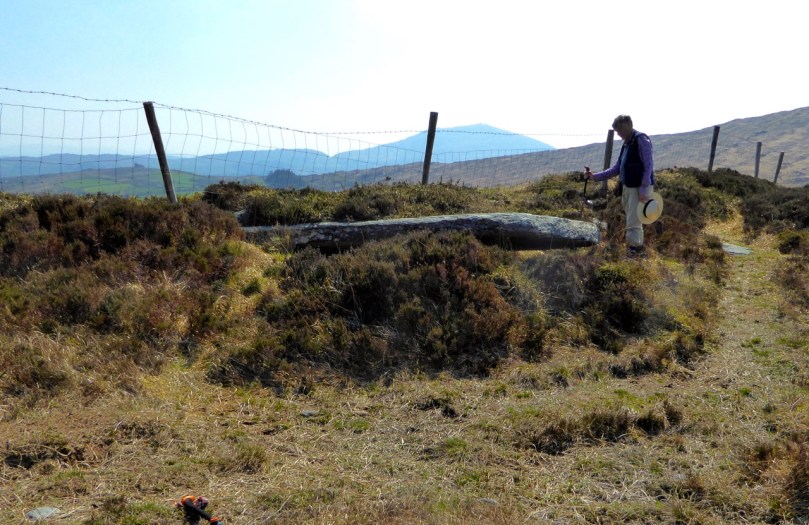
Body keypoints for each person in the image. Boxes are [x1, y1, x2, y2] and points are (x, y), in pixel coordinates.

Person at [585, 115, 654, 257]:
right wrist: (595, 176)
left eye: (620, 130)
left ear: (628, 126)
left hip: (638, 188)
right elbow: (617, 168)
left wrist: (643, 190)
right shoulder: (627, 143)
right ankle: (638, 250)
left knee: (633, 221)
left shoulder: (641, 140)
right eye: (617, 131)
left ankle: (633, 252)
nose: (618, 134)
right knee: (633, 219)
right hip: (628, 187)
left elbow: (648, 166)